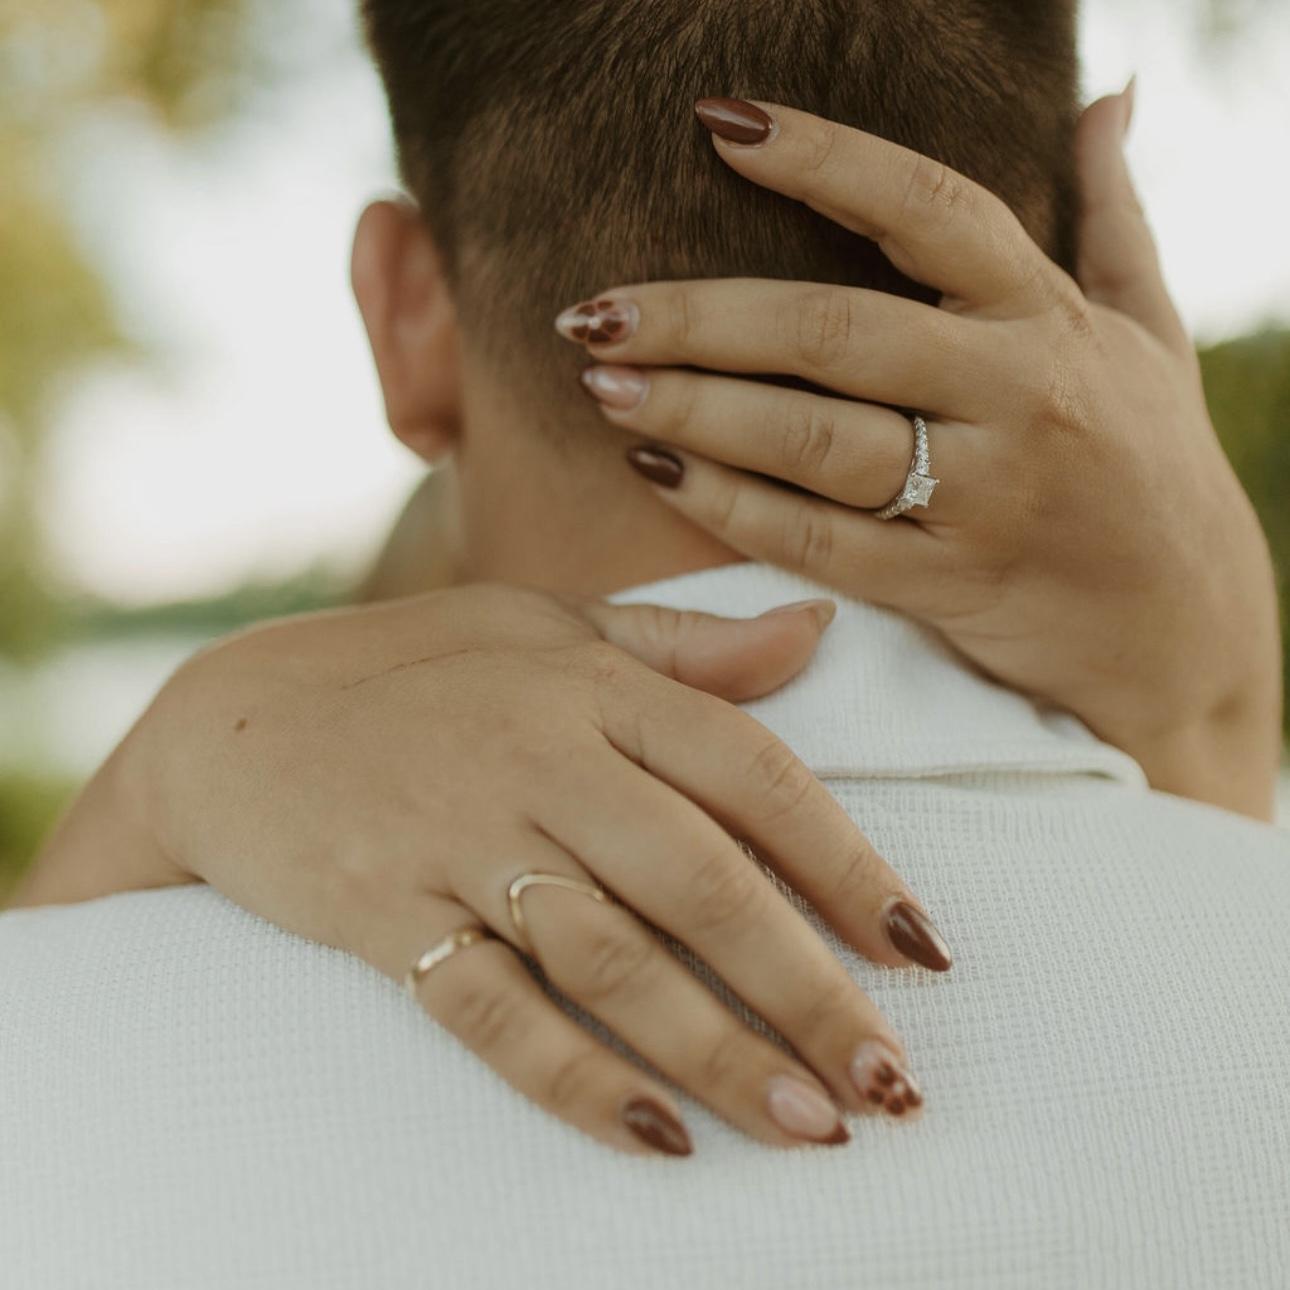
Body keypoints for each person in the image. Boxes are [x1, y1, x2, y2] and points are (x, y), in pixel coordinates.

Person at [3, 0, 1287, 1284]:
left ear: (403, 310)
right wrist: (1217, 716)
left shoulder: (55, 1082)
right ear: (1089, 271)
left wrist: (147, 787)